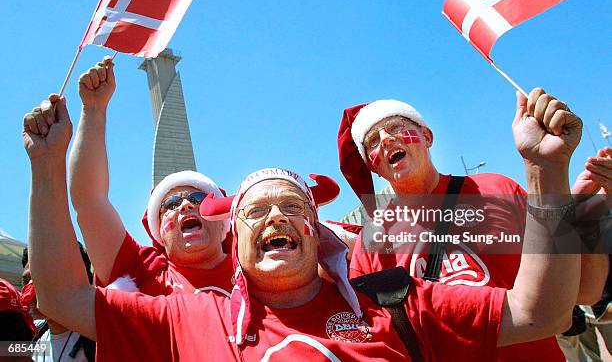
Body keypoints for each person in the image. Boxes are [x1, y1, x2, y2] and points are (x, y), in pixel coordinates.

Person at [24, 89, 588, 361]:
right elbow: (63, 295)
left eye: (293, 208)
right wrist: (46, 171)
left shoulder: (394, 302)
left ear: (318, 233)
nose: (276, 215)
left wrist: (547, 172)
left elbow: (544, 312)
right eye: (256, 211)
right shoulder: (187, 317)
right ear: (236, 239)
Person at [337, 92, 610, 361]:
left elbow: (586, 290)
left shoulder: (496, 190)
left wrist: (586, 211)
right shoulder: (372, 241)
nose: (386, 139)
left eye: (396, 126)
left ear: (426, 137)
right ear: (372, 166)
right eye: (372, 141)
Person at [68, 58, 232, 295]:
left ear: (223, 223)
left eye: (198, 198)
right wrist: (93, 109)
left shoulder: (260, 271)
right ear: (160, 233)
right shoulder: (145, 275)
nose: (186, 204)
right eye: (171, 204)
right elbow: (89, 202)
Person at [22, 245, 95, 362]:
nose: (30, 291)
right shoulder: (36, 342)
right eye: (26, 280)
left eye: (42, 278)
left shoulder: (99, 341)